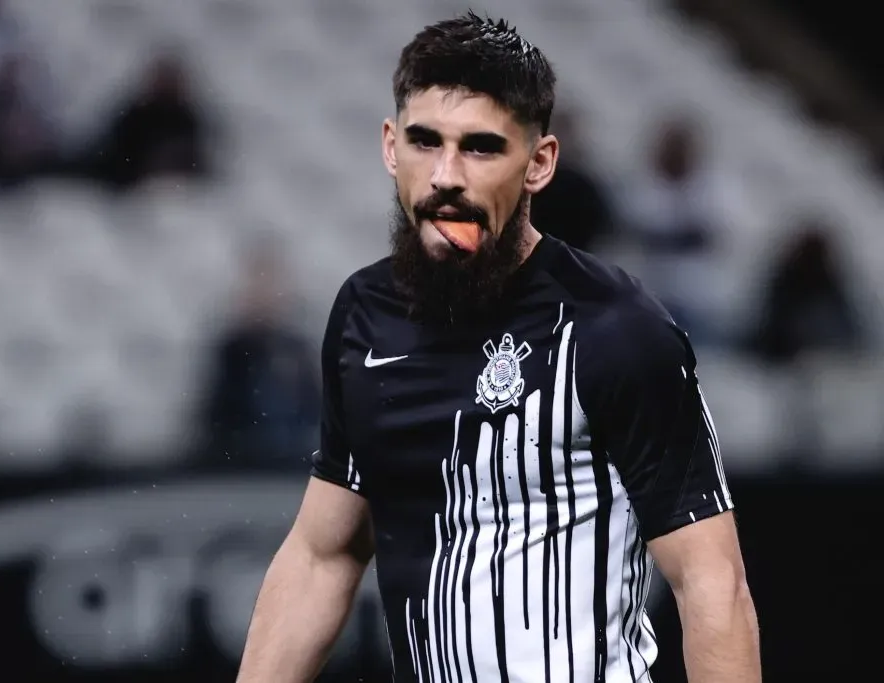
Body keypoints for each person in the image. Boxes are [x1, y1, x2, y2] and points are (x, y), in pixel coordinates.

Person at [236, 12, 760, 683]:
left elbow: (712, 583)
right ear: (391, 147)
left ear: (539, 163)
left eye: (481, 147)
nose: (446, 175)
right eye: (426, 142)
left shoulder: (617, 329)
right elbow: (324, 553)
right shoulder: (365, 317)